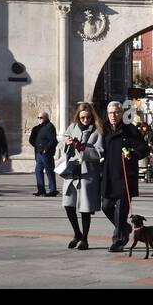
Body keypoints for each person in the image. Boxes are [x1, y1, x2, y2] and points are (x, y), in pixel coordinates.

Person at [100, 101, 149, 252]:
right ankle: (125, 227)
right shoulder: (104, 130)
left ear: (121, 113)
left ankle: (119, 240)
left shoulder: (130, 130)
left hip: (125, 176)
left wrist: (132, 154)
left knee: (121, 210)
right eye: (110, 113)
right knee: (106, 206)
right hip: (108, 176)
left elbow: (144, 148)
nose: (113, 116)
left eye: (116, 113)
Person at [57, 102, 103, 249]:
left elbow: (99, 152)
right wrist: (67, 143)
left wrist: (82, 147)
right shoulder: (72, 127)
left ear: (92, 117)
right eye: (82, 117)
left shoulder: (97, 131)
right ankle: (77, 233)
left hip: (87, 173)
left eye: (88, 117)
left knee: (85, 207)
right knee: (68, 204)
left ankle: (85, 238)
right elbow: (61, 146)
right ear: (78, 116)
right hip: (72, 172)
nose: (85, 120)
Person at [29, 111, 59, 197]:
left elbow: (53, 140)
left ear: (46, 118)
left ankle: (53, 190)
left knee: (49, 171)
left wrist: (46, 149)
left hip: (46, 154)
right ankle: (41, 190)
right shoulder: (37, 128)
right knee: (38, 170)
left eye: (41, 117)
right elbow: (32, 140)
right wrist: (37, 146)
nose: (39, 119)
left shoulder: (49, 127)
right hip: (38, 153)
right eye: (38, 117)